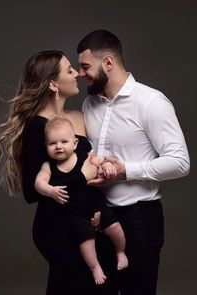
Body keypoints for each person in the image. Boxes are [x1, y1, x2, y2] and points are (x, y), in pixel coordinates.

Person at [76, 29, 190, 295]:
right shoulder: (89, 104)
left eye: (85, 67)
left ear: (108, 63)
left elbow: (180, 162)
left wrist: (125, 171)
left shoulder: (151, 102)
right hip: (98, 216)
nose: (81, 74)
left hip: (140, 220)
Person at [0, 50, 113, 295]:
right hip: (57, 228)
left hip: (87, 220)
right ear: (53, 84)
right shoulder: (37, 127)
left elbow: (90, 163)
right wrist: (83, 177)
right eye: (70, 70)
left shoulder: (79, 117)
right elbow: (31, 192)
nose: (78, 73)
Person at [35, 116, 128, 285]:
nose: (58, 147)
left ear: (75, 143)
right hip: (74, 213)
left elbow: (100, 163)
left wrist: (106, 166)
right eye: (52, 143)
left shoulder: (84, 156)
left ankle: (120, 252)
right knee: (86, 239)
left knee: (115, 227)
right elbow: (38, 183)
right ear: (45, 146)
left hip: (96, 205)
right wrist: (50, 190)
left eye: (64, 141)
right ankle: (94, 267)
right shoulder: (48, 166)